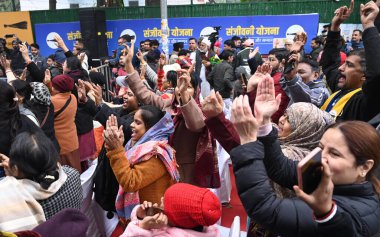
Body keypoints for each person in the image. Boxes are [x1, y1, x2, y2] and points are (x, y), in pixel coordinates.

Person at [229, 73, 380, 236]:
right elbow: (280, 168)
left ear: (364, 166)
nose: (322, 157)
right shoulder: (331, 178)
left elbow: (266, 209)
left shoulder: (351, 213)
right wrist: (264, 122)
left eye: (334, 154)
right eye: (321, 148)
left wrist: (248, 141)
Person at [120, 42, 220, 188]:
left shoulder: (201, 110)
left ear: (197, 91)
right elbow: (145, 95)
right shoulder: (169, 104)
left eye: (190, 87)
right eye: (180, 86)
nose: (184, 89)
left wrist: (184, 94)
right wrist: (129, 66)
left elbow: (195, 124)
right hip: (166, 163)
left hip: (187, 169)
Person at [103, 106, 179, 222]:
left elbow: (130, 182)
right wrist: (117, 146)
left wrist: (116, 150)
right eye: (133, 121)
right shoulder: (137, 145)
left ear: (151, 128)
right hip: (142, 214)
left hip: (151, 218)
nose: (131, 125)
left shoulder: (157, 154)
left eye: (137, 122)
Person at [0, 131, 82, 220]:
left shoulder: (12, 201)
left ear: (15, 169)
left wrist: (11, 177)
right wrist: (16, 169)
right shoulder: (72, 174)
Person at [320, 1, 380, 122]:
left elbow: (376, 76)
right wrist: (335, 27)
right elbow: (330, 64)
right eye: (344, 63)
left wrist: (368, 25)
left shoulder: (364, 102)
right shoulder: (340, 89)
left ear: (364, 76)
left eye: (349, 65)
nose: (340, 68)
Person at [120, 183, 221, 237]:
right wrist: (140, 214)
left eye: (165, 201)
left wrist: (142, 227)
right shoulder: (202, 225)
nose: (161, 199)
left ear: (177, 219)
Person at [50, 74, 81, 172]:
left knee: (63, 175)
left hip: (60, 145)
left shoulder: (53, 101)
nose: (51, 87)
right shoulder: (72, 97)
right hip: (72, 142)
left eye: (53, 85)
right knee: (74, 172)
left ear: (58, 89)